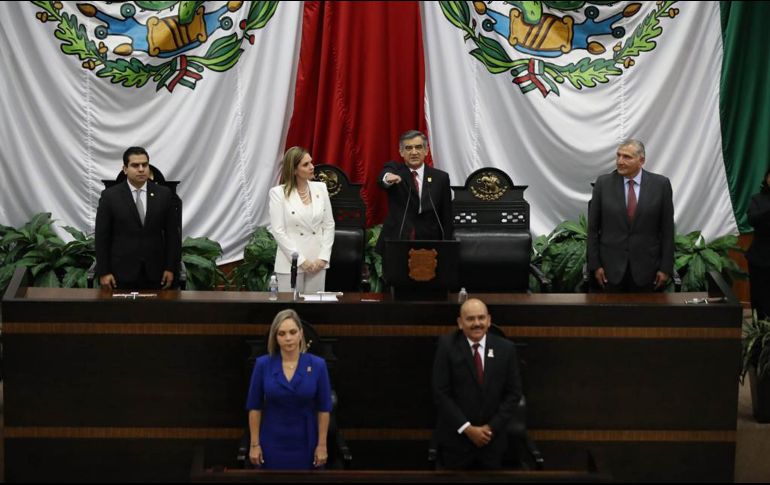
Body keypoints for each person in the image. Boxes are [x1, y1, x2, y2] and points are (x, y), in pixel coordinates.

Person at [432, 298, 523, 470]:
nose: (477, 323)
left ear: (489, 320)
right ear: (460, 323)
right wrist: (468, 429)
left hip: (492, 441)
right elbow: (441, 393)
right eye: (470, 319)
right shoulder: (447, 346)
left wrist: (490, 429)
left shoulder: (506, 349)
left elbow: (513, 394)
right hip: (457, 442)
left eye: (481, 318)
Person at [246, 309, 332, 469]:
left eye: (293, 332)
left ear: (300, 334)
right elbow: (254, 407)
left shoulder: (318, 365)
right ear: (275, 338)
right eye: (282, 333)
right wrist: (254, 444)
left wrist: (322, 445)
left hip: (306, 442)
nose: (288, 338)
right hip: (271, 440)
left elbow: (324, 409)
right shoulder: (263, 364)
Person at [587, 139, 675, 292]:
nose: (620, 161)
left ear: (641, 160)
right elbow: (593, 229)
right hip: (610, 270)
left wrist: (665, 268)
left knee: (645, 315)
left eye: (627, 157)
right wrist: (595, 266)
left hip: (648, 271)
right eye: (618, 156)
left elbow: (667, 230)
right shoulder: (603, 184)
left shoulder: (661, 185)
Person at [95, 146, 180, 290]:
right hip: (120, 274)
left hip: (156, 273)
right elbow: (102, 237)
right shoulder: (110, 196)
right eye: (135, 165)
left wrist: (171, 268)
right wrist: (104, 272)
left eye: (144, 165)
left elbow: (173, 235)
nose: (141, 169)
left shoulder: (164, 194)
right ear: (125, 169)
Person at [268, 147, 335, 293]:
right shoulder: (278, 193)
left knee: (314, 310)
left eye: (311, 162)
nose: (312, 167)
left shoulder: (321, 188)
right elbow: (278, 231)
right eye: (305, 164)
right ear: (293, 170)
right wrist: (301, 261)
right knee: (291, 309)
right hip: (290, 262)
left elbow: (329, 225)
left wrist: (323, 257)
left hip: (318, 262)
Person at [376, 130, 453, 253]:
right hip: (398, 239)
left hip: (430, 241)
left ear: (426, 150)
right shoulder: (395, 170)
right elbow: (383, 177)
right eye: (408, 148)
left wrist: (448, 245)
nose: (414, 152)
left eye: (418, 147)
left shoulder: (441, 178)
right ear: (401, 152)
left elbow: (446, 215)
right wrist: (388, 177)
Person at [747, 166, 770, 320]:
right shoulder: (757, 199)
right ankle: (759, 337)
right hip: (760, 259)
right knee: (760, 298)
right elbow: (752, 220)